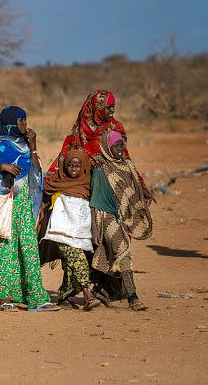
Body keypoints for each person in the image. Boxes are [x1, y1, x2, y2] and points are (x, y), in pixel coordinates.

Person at [0, 107, 59, 312]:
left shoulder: (26, 145)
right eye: (21, 121)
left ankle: (36, 297)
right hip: (3, 206)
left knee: (28, 250)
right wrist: (1, 168)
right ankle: (3, 297)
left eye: (25, 120)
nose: (25, 124)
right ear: (11, 124)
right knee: (3, 251)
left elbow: (36, 175)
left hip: (23, 207)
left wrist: (33, 146)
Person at [90, 131, 153, 311]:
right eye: (116, 146)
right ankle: (133, 297)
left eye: (121, 146)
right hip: (105, 217)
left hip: (124, 218)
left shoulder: (127, 166)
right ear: (107, 147)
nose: (120, 149)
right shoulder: (101, 168)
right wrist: (95, 228)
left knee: (112, 257)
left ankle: (101, 291)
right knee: (123, 250)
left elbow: (132, 192)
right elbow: (95, 200)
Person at [37, 149, 100, 311]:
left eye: (78, 166)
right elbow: (43, 200)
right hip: (61, 232)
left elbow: (94, 208)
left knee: (71, 266)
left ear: (83, 166)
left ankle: (64, 296)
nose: (74, 169)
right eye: (70, 165)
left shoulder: (88, 184)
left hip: (81, 233)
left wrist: (95, 230)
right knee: (77, 259)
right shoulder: (55, 183)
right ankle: (87, 295)